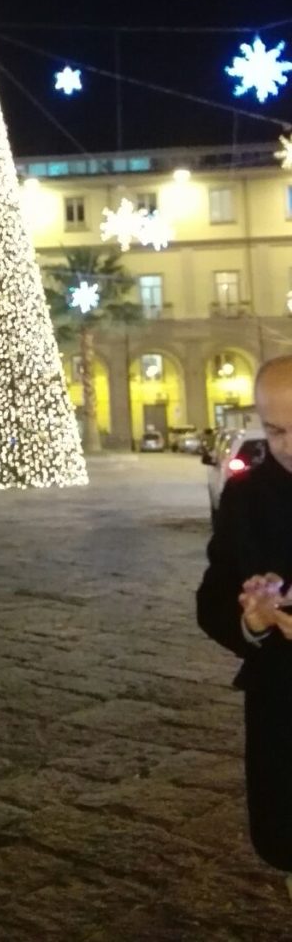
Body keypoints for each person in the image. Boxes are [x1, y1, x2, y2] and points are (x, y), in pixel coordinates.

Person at [197, 356, 292, 894]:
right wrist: (249, 619)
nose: (289, 446)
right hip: (284, 708)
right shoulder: (246, 497)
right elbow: (212, 598)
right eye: (275, 430)